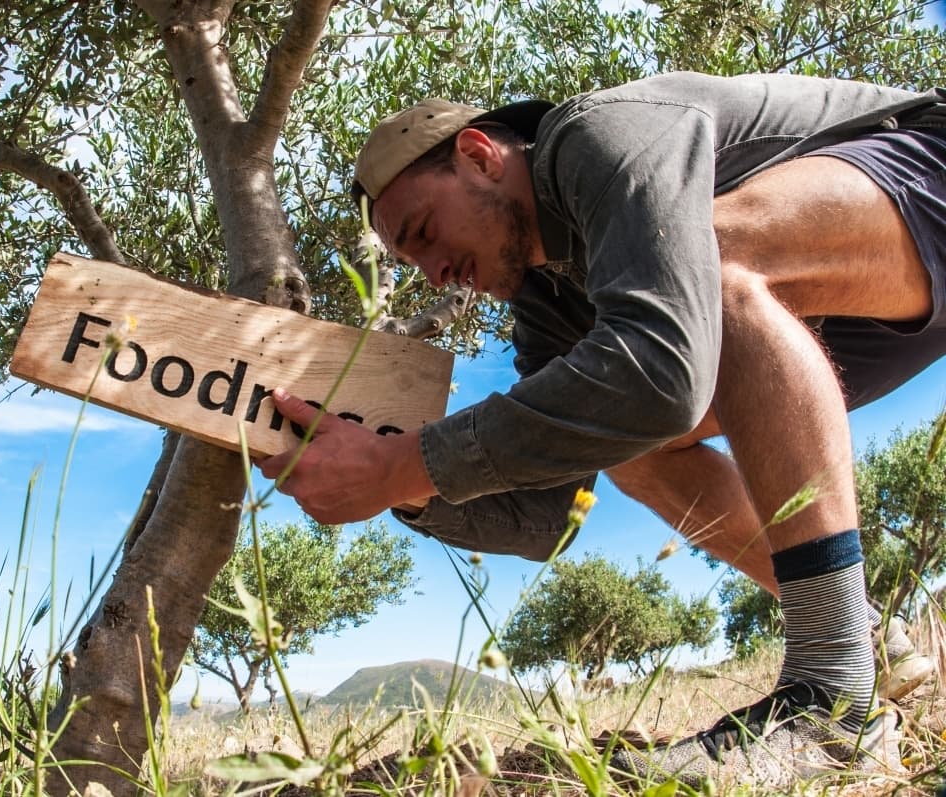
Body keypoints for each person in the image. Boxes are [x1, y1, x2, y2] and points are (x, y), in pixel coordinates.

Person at [258, 71, 946, 787]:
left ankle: (832, 700)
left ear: (479, 154)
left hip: (923, 176)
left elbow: (663, 372)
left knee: (710, 266)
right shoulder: (549, 300)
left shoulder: (600, 134)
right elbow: (544, 516)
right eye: (412, 262)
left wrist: (406, 462)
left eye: (424, 233)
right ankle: (867, 638)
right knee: (630, 447)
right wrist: (401, 488)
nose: (435, 275)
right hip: (851, 308)